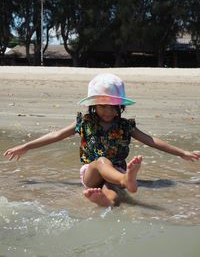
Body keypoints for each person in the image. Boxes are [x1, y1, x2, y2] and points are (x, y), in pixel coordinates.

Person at [3, 73, 200, 207]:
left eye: (114, 107)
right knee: (101, 162)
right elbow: (56, 135)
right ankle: (126, 180)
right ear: (93, 105)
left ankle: (106, 202)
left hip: (117, 173)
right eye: (103, 106)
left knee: (113, 195)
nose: (109, 111)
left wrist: (182, 152)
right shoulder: (84, 122)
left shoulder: (125, 126)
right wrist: (26, 146)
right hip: (91, 174)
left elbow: (152, 140)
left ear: (120, 108)